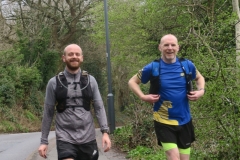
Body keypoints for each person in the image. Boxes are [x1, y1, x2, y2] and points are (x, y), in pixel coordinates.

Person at [128, 34, 205, 160]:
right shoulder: (153, 67)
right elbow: (132, 81)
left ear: (178, 48)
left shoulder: (187, 65)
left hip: (185, 120)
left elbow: (200, 78)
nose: (170, 48)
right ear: (160, 47)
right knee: (173, 157)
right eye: (166, 45)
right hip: (163, 120)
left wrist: (201, 91)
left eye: (173, 45)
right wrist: (143, 96)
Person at [38, 44, 111, 160]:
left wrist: (105, 132)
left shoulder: (91, 81)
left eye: (77, 54)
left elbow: (99, 107)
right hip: (64, 137)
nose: (74, 56)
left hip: (88, 137)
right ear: (64, 58)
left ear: (82, 57)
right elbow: (48, 112)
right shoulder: (53, 83)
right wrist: (44, 141)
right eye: (70, 54)